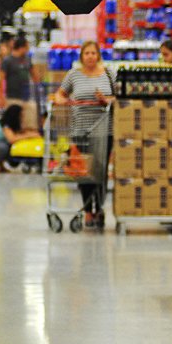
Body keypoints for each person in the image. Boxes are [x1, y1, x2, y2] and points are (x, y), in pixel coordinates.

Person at [53, 40, 114, 227]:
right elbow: (60, 94)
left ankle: (99, 208)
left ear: (98, 55)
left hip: (104, 130)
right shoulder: (74, 75)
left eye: (93, 53)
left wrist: (106, 100)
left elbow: (118, 96)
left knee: (101, 172)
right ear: (81, 56)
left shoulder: (109, 73)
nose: (90, 57)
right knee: (84, 171)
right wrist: (62, 101)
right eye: (87, 53)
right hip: (80, 130)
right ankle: (88, 210)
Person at [0, 104, 25, 170]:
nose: (22, 117)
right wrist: (28, 135)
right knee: (4, 147)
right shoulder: (5, 124)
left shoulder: (4, 121)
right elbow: (12, 139)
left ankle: (0, 166)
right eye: (21, 115)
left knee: (5, 145)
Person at [1, 35, 37, 105]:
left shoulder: (27, 59)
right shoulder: (7, 61)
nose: (28, 50)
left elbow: (34, 75)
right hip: (12, 98)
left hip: (26, 98)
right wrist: (1, 97)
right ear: (21, 48)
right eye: (27, 48)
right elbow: (1, 79)